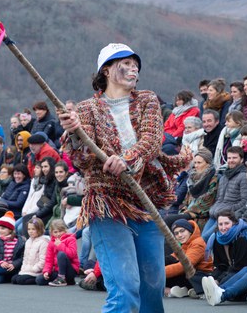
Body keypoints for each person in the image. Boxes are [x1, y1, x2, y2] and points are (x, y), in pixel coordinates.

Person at [59, 42, 190, 312]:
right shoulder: (86, 110)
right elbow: (82, 160)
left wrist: (127, 159)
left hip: (146, 203)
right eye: (125, 63)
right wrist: (74, 134)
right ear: (106, 70)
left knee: (152, 287)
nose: (133, 68)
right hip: (107, 205)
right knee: (125, 287)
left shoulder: (147, 100)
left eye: (135, 64)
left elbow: (153, 140)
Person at [201, 146, 247, 242]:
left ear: (242, 159)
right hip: (214, 215)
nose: (231, 160)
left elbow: (245, 201)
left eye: (234, 158)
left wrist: (226, 211)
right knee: (202, 239)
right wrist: (214, 208)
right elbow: (219, 198)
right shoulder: (224, 177)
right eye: (229, 158)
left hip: (226, 216)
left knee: (204, 239)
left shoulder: (244, 176)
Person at [204, 210, 247, 286]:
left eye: (227, 223)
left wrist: (218, 280)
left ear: (234, 223)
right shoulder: (217, 238)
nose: (223, 227)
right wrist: (213, 278)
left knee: (223, 281)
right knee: (202, 277)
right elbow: (220, 266)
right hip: (227, 270)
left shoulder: (242, 238)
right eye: (220, 224)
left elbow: (240, 267)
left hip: (240, 272)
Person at [165, 219, 213, 298]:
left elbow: (185, 265)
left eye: (182, 231)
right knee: (166, 261)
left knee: (163, 276)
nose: (180, 235)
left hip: (201, 276)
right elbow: (172, 257)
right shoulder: (185, 243)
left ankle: (171, 290)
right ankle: (181, 290)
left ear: (190, 231)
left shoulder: (197, 243)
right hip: (189, 274)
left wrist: (159, 274)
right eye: (176, 233)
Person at [36, 219, 79, 287]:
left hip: (70, 270)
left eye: (60, 231)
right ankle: (65, 280)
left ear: (65, 230)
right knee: (39, 280)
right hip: (57, 270)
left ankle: (62, 279)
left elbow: (72, 254)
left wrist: (60, 245)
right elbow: (49, 260)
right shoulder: (51, 243)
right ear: (52, 233)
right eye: (55, 232)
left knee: (61, 254)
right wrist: (46, 271)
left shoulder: (71, 239)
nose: (58, 234)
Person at [0, 211, 25, 283]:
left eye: (3, 228)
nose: (0, 231)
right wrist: (0, 262)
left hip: (13, 266)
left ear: (10, 229)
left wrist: (14, 264)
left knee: (0, 272)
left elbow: (22, 256)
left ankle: (6, 274)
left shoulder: (19, 241)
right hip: (1, 265)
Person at [12, 217, 49, 285]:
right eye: (29, 229)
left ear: (39, 229)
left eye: (33, 229)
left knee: (21, 280)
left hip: (36, 271)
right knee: (14, 279)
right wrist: (23, 269)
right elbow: (25, 258)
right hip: (27, 270)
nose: (30, 231)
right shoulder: (28, 241)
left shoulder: (43, 242)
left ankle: (37, 279)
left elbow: (43, 260)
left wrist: (34, 269)